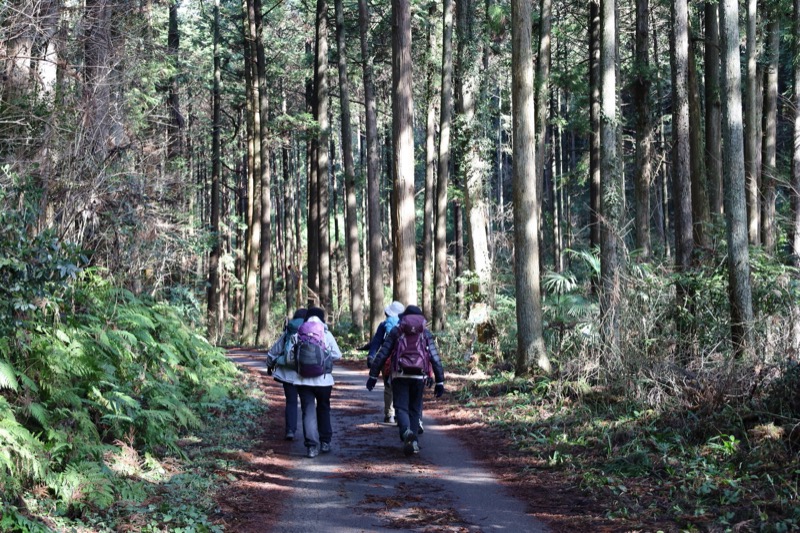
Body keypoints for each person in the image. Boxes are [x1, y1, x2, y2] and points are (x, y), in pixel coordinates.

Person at [367, 305, 444, 456]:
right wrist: (440, 381)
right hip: (419, 376)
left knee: (401, 408)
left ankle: (406, 433)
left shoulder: (397, 330)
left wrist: (373, 375)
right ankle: (413, 442)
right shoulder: (425, 332)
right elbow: (434, 357)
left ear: (404, 317)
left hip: (399, 374)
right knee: (415, 409)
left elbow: (383, 353)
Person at [294, 306, 343, 458]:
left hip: (303, 380)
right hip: (324, 381)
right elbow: (338, 355)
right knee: (323, 409)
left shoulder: (299, 333)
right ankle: (325, 442)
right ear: (322, 318)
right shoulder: (326, 333)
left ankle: (311, 447)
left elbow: (291, 357)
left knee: (308, 411)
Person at [265, 309, 307, 441]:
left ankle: (290, 430)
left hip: (288, 373)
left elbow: (273, 352)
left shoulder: (289, 331)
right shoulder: (312, 331)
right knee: (307, 404)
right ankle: (309, 433)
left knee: (291, 402)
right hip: (307, 374)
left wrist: (270, 366)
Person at [366, 300, 405, 424]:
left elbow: (376, 342)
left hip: (387, 360)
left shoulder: (384, 325)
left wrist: (371, 356)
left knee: (389, 387)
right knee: (401, 387)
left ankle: (389, 415)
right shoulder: (407, 326)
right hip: (404, 360)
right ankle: (401, 414)